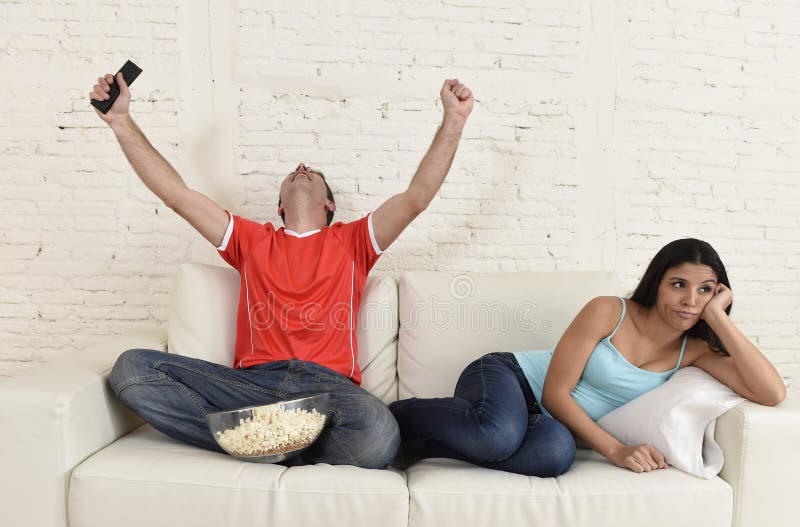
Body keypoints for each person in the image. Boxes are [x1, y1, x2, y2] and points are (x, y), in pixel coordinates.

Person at [91, 71, 474, 468]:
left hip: (328, 391)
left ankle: (261, 441)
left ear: (329, 205)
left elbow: (416, 198)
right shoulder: (252, 240)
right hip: (256, 386)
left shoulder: (353, 242)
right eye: (293, 172)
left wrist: (453, 121)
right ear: (279, 207)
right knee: (131, 370)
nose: (302, 165)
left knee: (379, 434)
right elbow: (177, 196)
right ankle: (280, 442)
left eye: (314, 174)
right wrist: (120, 121)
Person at [389, 238, 786, 476]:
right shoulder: (609, 311)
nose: (690, 300)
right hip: (509, 376)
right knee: (498, 435)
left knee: (556, 455)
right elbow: (557, 393)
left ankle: (427, 445)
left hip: (545, 421)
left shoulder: (695, 350)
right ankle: (398, 417)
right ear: (657, 282)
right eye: (678, 284)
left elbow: (771, 393)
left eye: (706, 290)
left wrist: (718, 318)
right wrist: (615, 449)